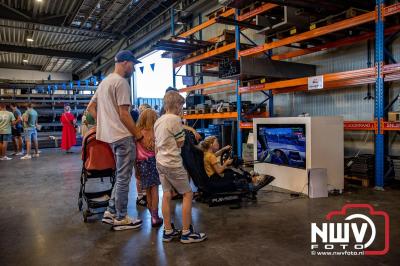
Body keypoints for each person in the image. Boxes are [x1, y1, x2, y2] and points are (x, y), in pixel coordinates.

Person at [87, 50, 143, 231]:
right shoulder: (121, 83)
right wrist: (138, 134)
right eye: (133, 64)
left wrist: (105, 124)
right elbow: (124, 114)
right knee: (124, 178)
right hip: (123, 136)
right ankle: (120, 217)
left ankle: (111, 211)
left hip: (111, 137)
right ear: (125, 62)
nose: (134, 68)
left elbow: (90, 107)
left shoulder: (104, 83)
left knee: (120, 176)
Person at [155, 91, 207, 244]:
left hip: (160, 161)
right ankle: (186, 232)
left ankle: (168, 231)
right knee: (188, 194)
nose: (182, 109)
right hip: (172, 163)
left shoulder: (159, 120)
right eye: (181, 106)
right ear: (177, 105)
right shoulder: (175, 120)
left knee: (166, 194)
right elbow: (180, 143)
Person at [200, 136, 270, 189]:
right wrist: (226, 163)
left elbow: (216, 154)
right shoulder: (211, 156)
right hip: (215, 178)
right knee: (235, 174)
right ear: (211, 145)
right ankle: (254, 180)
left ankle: (249, 176)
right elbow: (219, 171)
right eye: (217, 142)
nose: (218, 143)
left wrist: (224, 149)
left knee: (231, 170)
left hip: (213, 177)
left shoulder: (207, 154)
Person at [136, 108, 163, 227]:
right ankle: (155, 216)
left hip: (141, 163)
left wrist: (135, 169)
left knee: (147, 191)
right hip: (153, 162)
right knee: (155, 190)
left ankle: (151, 214)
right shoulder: (155, 132)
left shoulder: (138, 133)